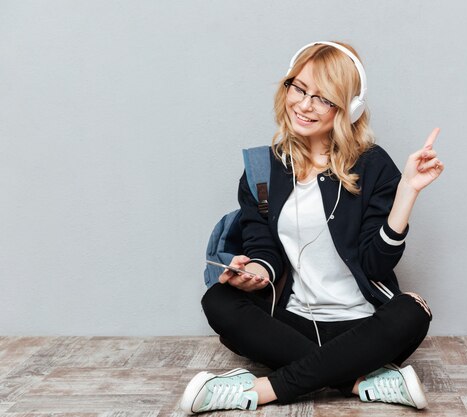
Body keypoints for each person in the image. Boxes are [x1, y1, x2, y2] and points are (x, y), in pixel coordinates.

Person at [180, 41, 444, 414]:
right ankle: (357, 382)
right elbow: (264, 248)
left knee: (412, 311)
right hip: (292, 326)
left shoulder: (372, 165)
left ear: (349, 109)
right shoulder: (262, 169)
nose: (304, 105)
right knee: (217, 299)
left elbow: (375, 265)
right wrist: (253, 271)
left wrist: (407, 192)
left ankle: (262, 389)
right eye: (299, 88)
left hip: (362, 327)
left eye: (323, 98)